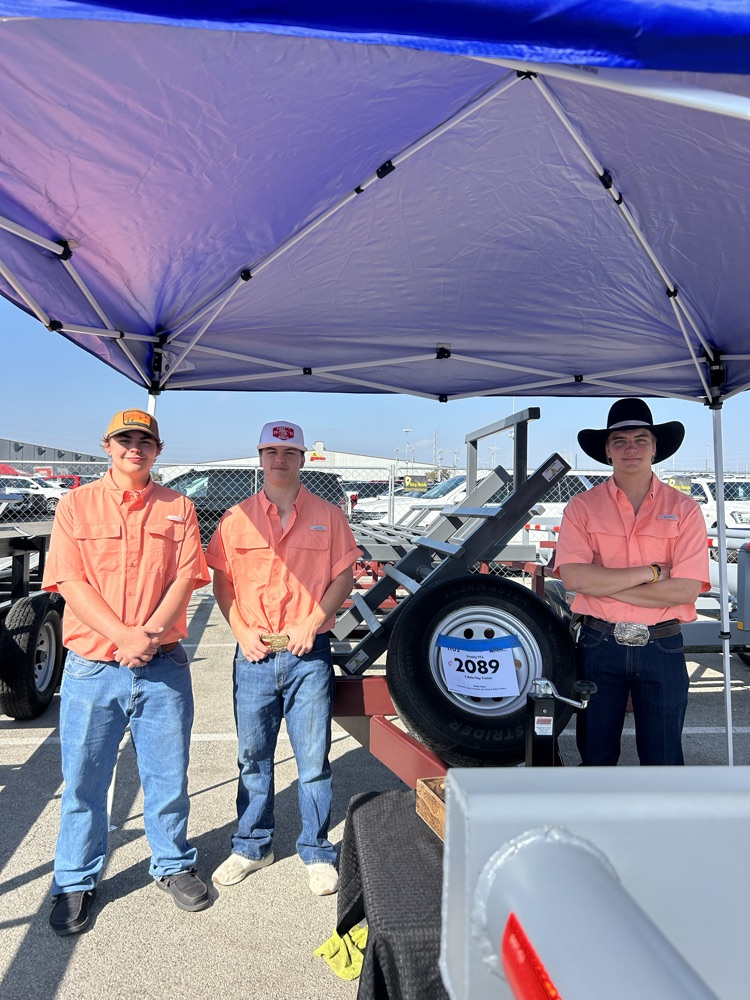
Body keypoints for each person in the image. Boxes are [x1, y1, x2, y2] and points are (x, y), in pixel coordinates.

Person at [43, 408, 211, 935]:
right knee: (85, 781)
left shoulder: (179, 507)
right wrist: (123, 637)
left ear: (157, 450)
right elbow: (69, 581)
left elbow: (186, 579)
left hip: (161, 665)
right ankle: (74, 879)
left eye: (145, 440)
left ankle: (173, 863)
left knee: (167, 776)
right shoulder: (76, 505)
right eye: (124, 439)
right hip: (94, 667)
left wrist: (147, 638)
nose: (134, 447)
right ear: (107, 446)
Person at [207, 420, 360, 895]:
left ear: (302, 459)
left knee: (313, 758)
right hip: (254, 653)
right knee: (253, 757)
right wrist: (240, 632)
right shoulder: (236, 519)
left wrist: (312, 622)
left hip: (307, 653)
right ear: (259, 457)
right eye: (271, 452)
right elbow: (224, 582)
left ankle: (315, 850)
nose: (280, 460)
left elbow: (343, 579)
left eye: (289, 452)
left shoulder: (329, 516)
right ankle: (252, 844)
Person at [555, 398, 709, 766]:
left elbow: (686, 589)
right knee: (595, 756)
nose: (631, 448)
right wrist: (651, 573)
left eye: (641, 439)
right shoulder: (581, 507)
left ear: (655, 448)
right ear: (607, 450)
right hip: (598, 644)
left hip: (662, 645)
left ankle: (660, 825)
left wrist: (602, 583)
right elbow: (574, 577)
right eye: (620, 441)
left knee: (665, 760)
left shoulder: (686, 509)